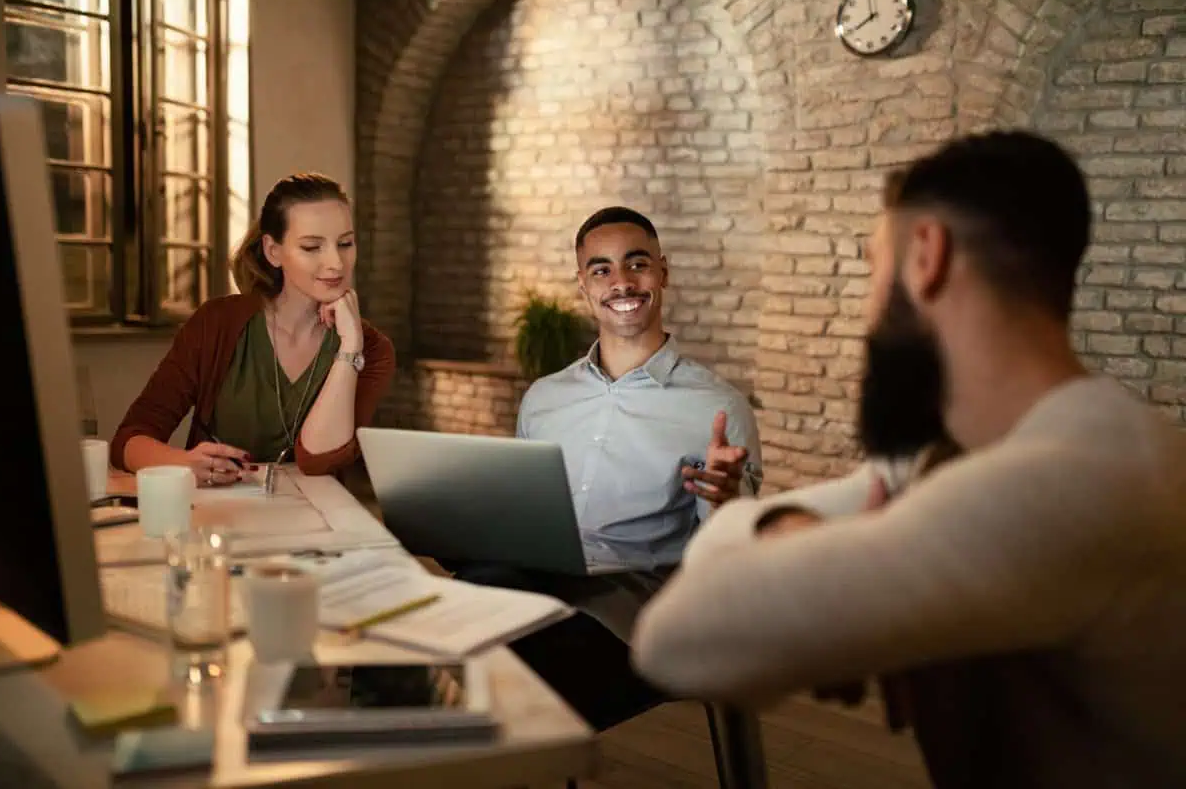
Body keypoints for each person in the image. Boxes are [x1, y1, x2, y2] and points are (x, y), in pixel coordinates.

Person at [632, 131, 1186, 787]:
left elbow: (674, 640)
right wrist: (798, 537)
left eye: (873, 266)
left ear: (927, 255)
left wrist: (790, 539)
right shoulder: (997, 451)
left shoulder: (1066, 483)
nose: (869, 309)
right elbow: (720, 565)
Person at [446, 206, 762, 731]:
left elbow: (736, 559)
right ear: (583, 285)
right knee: (446, 619)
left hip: (635, 612)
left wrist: (726, 501)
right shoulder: (545, 398)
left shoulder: (717, 408)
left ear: (663, 271)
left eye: (637, 264)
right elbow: (527, 514)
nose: (622, 282)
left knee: (503, 678)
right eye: (602, 269)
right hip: (541, 581)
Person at [111, 173, 395, 485]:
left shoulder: (371, 349)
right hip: (217, 520)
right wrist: (183, 463)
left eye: (345, 244)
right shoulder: (216, 324)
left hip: (319, 524)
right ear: (273, 251)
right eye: (312, 247)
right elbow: (129, 441)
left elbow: (319, 460)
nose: (336, 263)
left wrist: (350, 347)